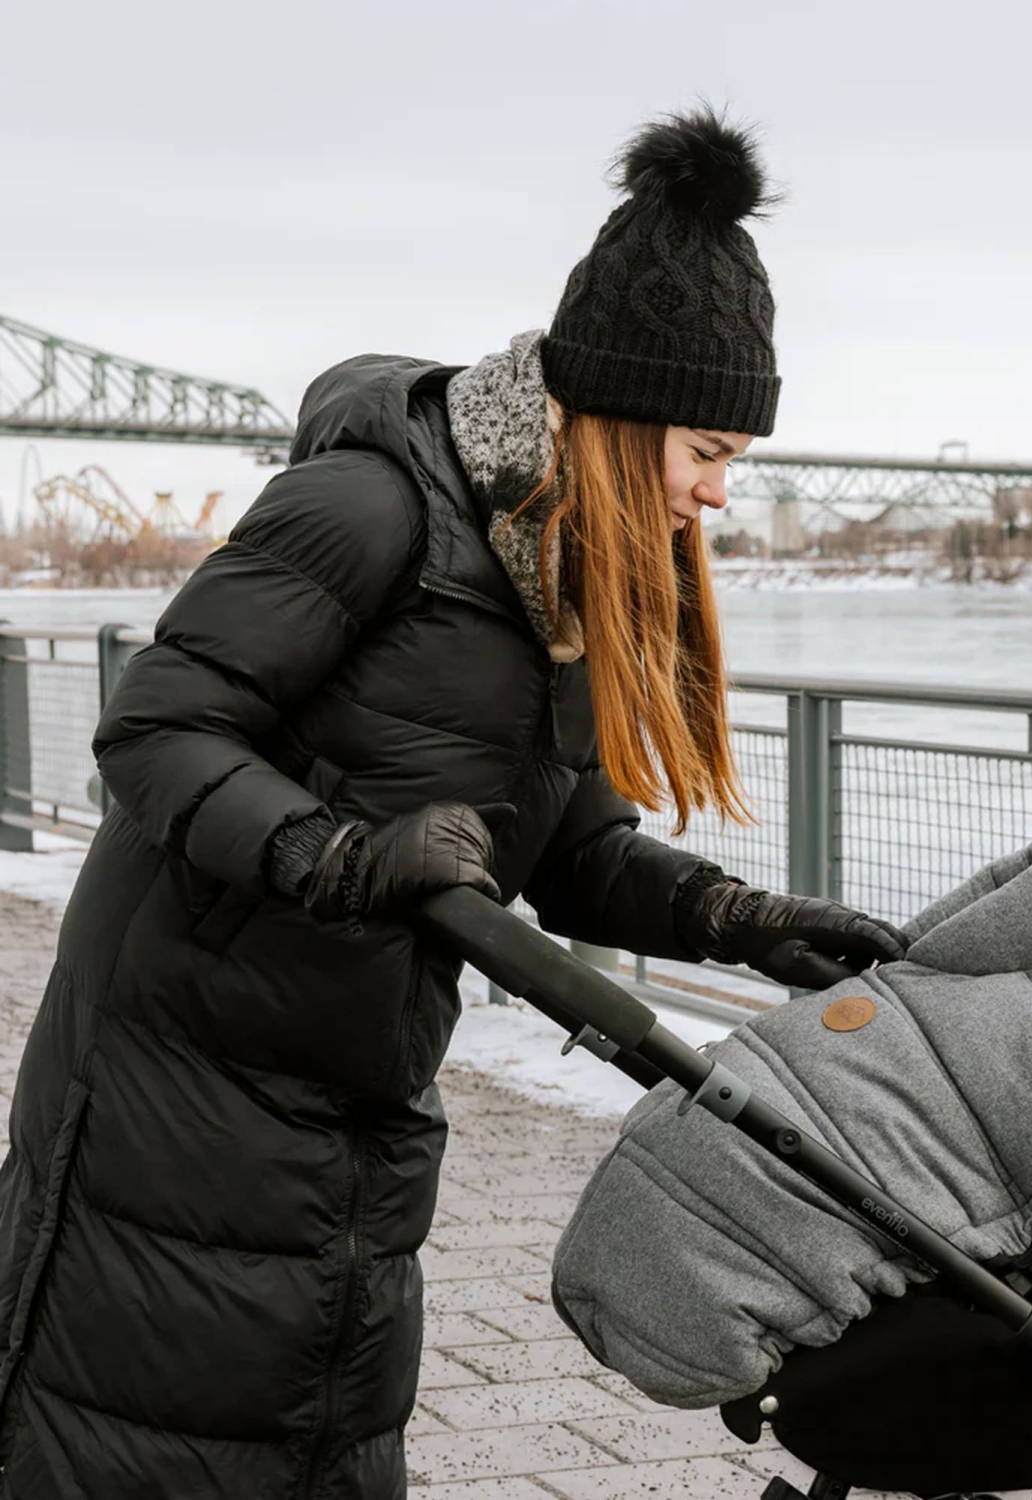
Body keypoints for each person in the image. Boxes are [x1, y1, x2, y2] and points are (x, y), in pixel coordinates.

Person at [0, 108, 907, 1499]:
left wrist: (736, 917)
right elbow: (156, 727)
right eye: (707, 454)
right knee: (136, 1447)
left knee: (322, 1448)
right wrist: (344, 858)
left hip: (355, 1108)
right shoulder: (367, 511)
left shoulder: (562, 582)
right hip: (175, 1091)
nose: (719, 496)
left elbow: (575, 853)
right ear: (619, 419)